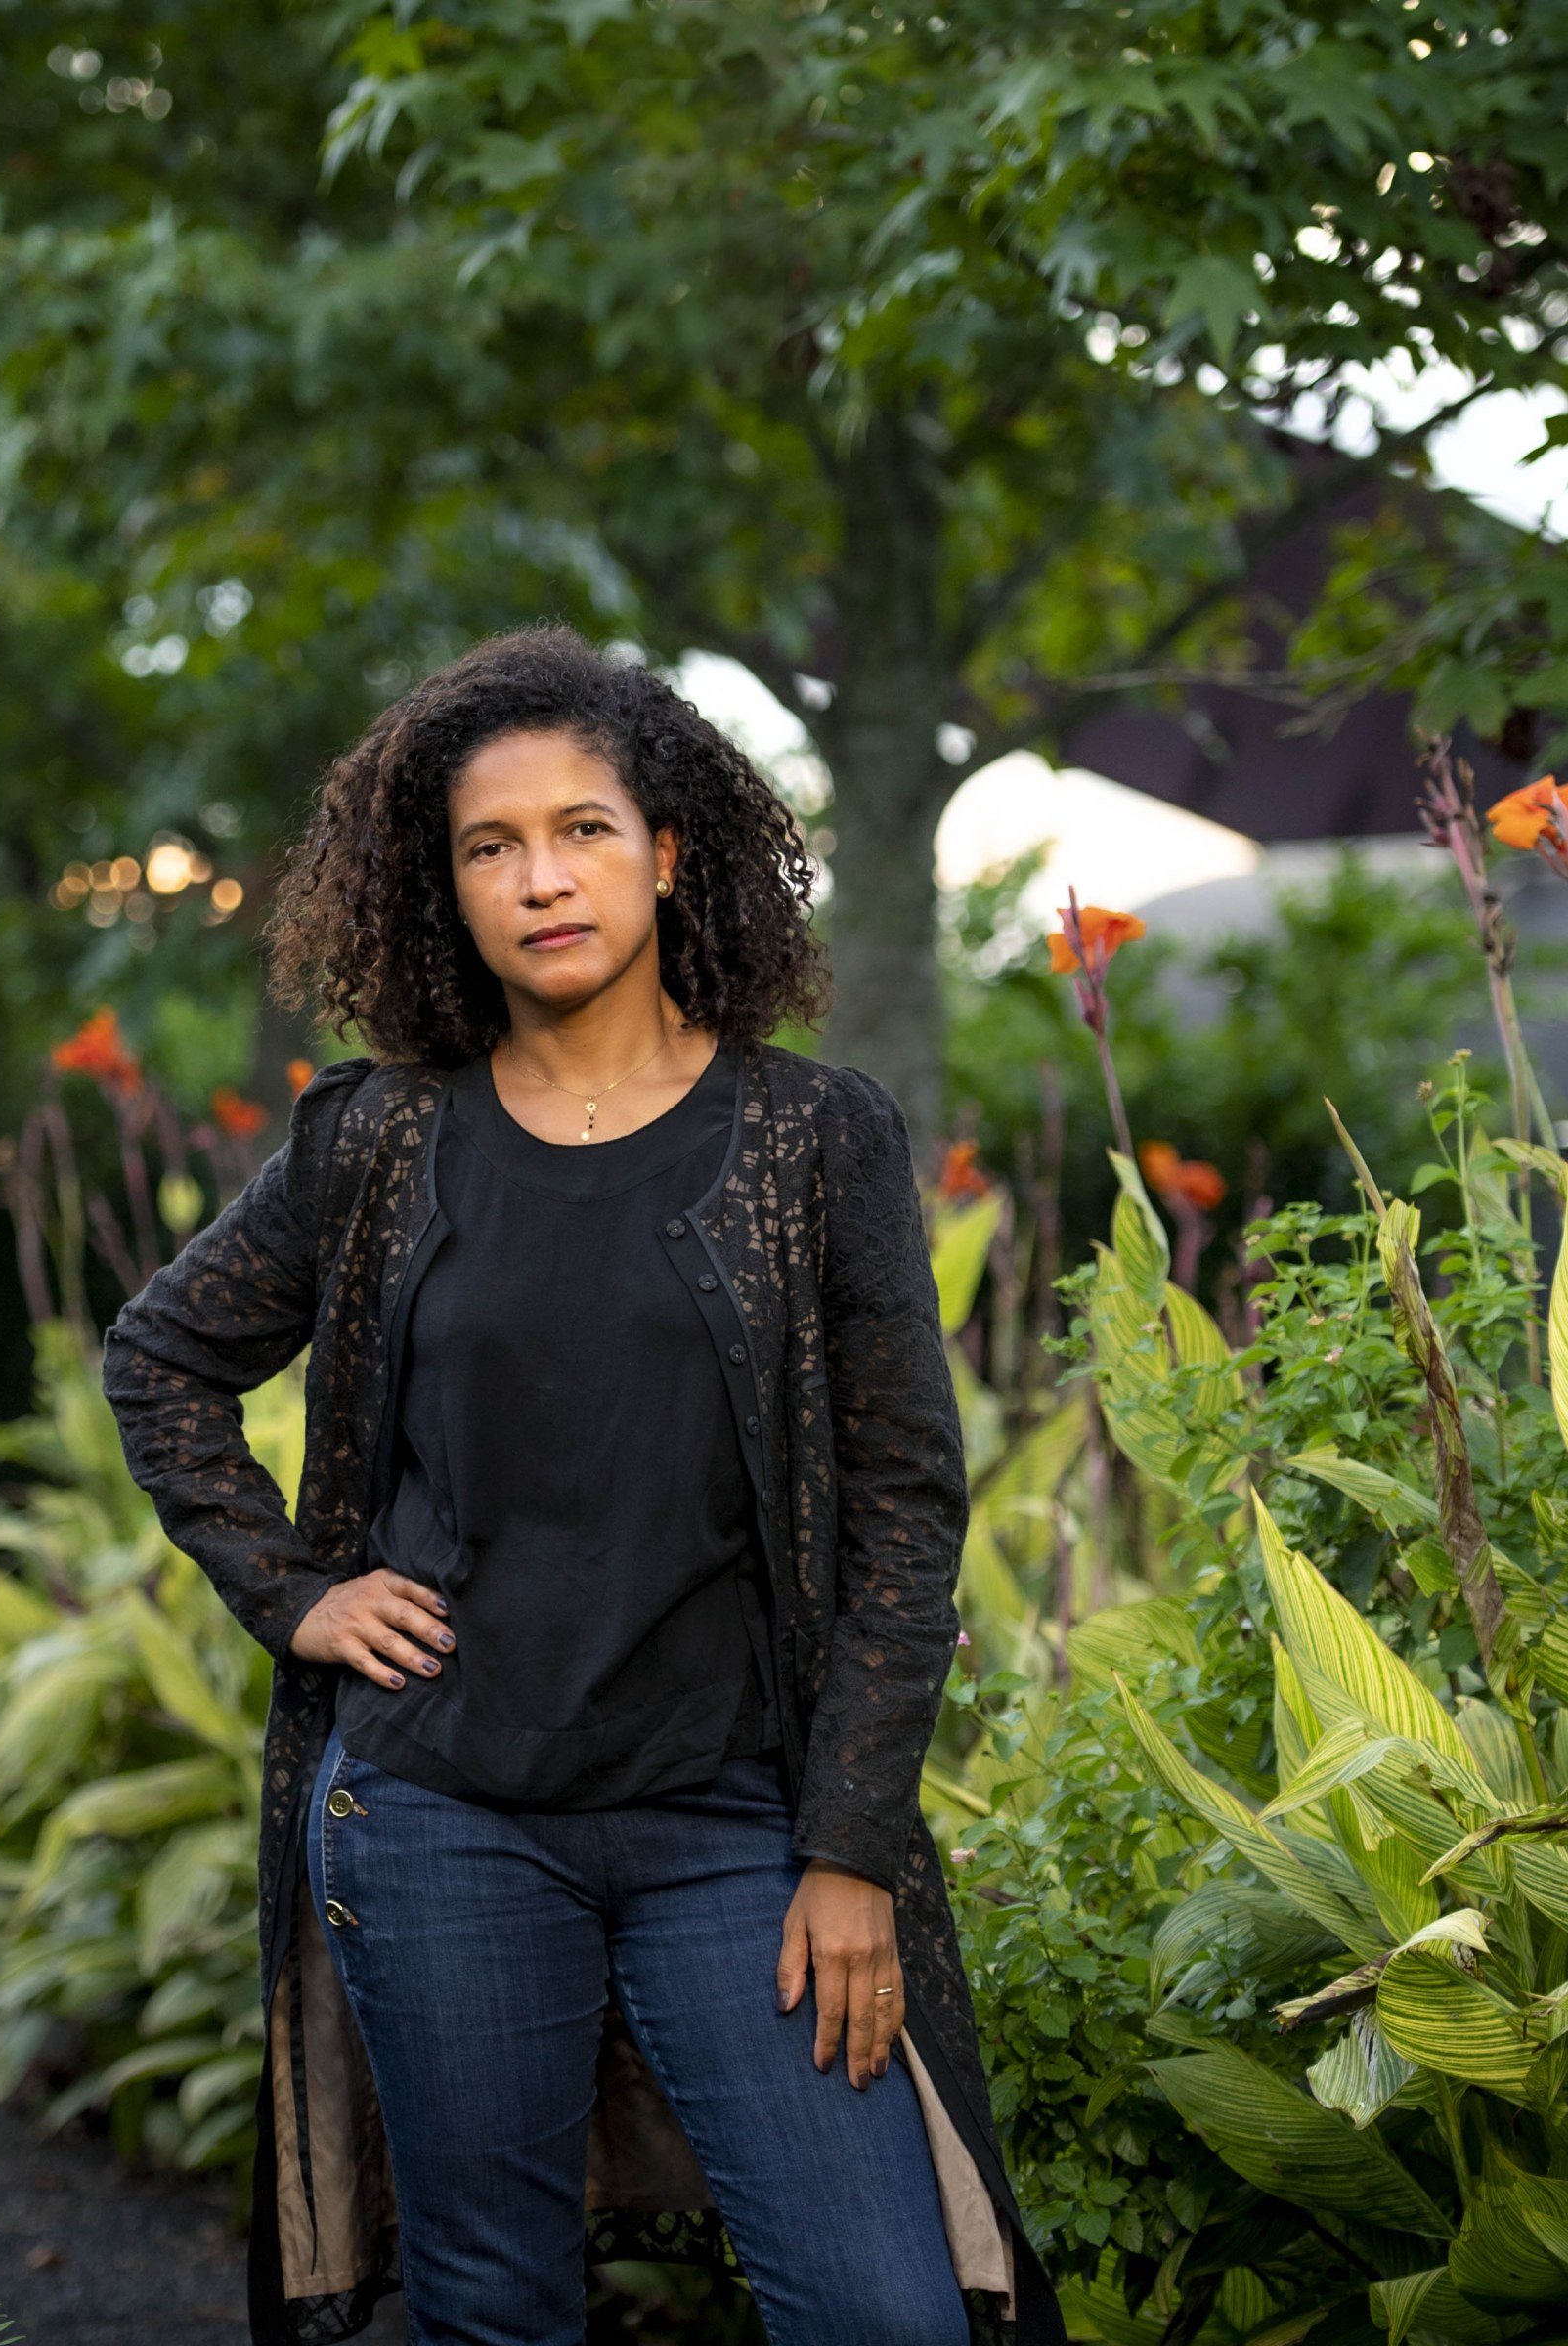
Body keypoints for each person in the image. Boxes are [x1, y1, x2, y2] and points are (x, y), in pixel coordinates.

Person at [104, 627, 1062, 2346]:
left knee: (881, 2313)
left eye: (585, 829)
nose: (542, 879)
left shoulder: (810, 1142)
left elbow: (909, 1510)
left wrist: (847, 1846)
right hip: (441, 1822)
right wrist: (295, 1589)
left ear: (670, 849)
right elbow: (160, 1361)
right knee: (495, 2311)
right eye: (492, 847)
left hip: (737, 1835)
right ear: (445, 888)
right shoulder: (380, 1143)